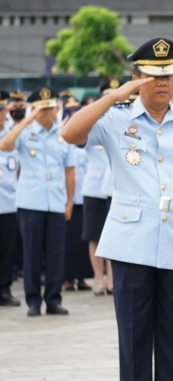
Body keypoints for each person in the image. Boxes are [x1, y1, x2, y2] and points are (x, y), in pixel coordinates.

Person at [61, 37, 173, 381]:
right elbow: (70, 134)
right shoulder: (116, 118)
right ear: (137, 78)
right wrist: (114, 96)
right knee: (133, 337)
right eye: (152, 76)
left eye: (169, 76)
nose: (163, 83)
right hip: (130, 244)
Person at [0, 87, 76, 317]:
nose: (48, 113)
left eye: (51, 108)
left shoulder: (63, 135)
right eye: (43, 109)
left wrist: (70, 202)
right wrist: (28, 120)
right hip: (30, 202)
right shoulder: (24, 132)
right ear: (35, 110)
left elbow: (70, 172)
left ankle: (53, 299)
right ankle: (33, 301)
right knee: (31, 254)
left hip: (55, 202)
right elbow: (5, 145)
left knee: (55, 255)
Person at [82, 86, 115, 295]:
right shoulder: (94, 122)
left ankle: (112, 281)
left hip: (114, 187)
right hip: (94, 187)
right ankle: (98, 281)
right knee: (94, 236)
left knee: (113, 236)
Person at [61, 97, 93, 291]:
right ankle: (67, 277)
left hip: (85, 194)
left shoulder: (88, 135)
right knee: (68, 239)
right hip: (68, 197)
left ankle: (81, 276)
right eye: (71, 112)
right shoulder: (62, 137)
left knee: (82, 240)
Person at [0, 91, 21, 307]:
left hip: (7, 203)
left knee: (6, 251)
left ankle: (4, 290)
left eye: (2, 110)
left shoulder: (12, 135)